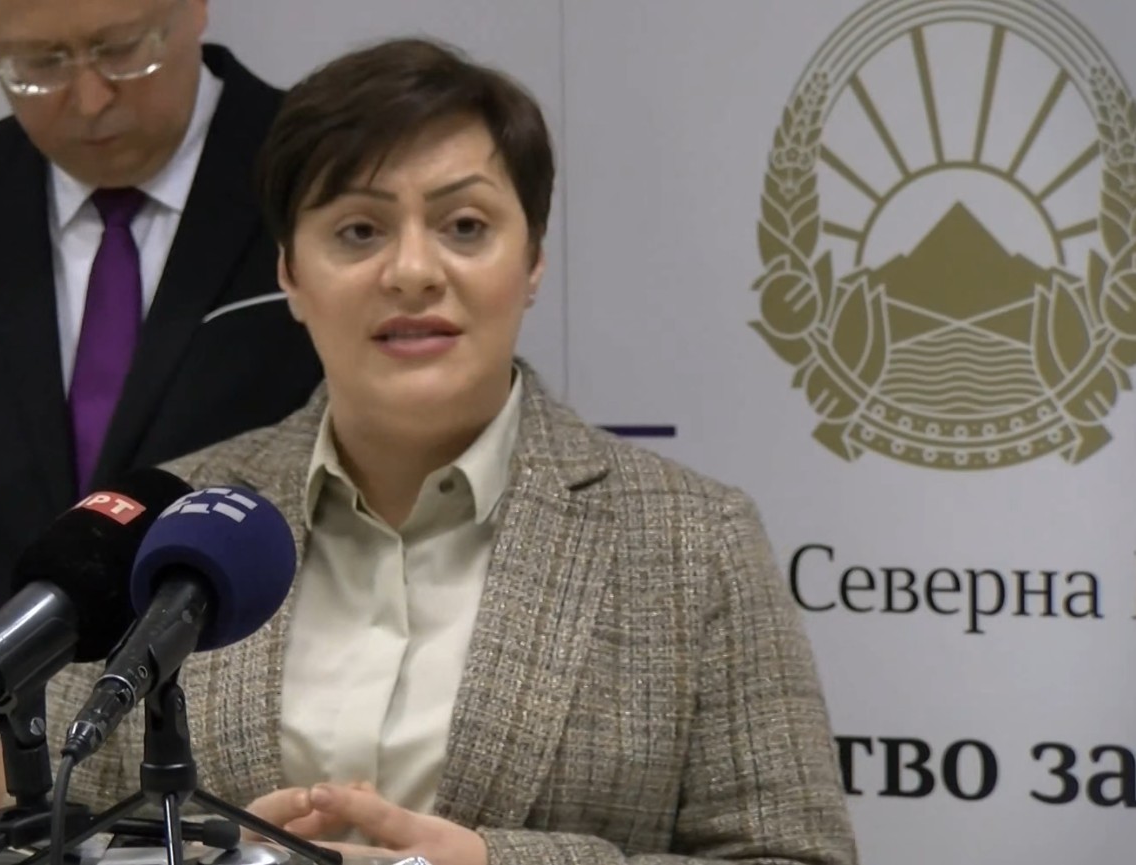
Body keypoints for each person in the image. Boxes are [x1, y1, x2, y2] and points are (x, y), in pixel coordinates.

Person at [46, 37, 859, 865]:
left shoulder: (693, 539)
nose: (411, 271)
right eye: (358, 230)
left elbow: (794, 856)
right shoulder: (179, 520)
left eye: (464, 226)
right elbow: (64, 829)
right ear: (289, 272)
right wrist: (199, 854)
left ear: (531, 260)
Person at [0, 0, 321, 807]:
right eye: (37, 65)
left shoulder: (327, 179)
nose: (88, 99)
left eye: (122, 50)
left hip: (259, 783)